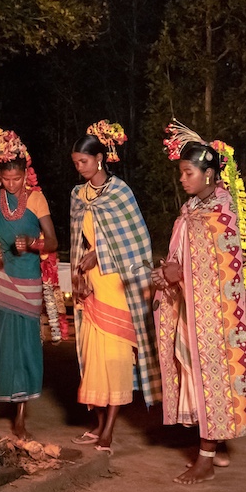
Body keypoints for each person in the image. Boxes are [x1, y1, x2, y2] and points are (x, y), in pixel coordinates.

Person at [154, 122, 246, 484]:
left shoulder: (223, 213)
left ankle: (205, 460)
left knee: (213, 376)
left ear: (209, 174)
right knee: (194, 371)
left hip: (218, 315)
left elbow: (222, 268)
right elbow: (184, 255)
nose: (182, 179)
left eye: (188, 172)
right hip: (192, 308)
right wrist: (168, 272)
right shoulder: (191, 208)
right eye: (181, 172)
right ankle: (213, 445)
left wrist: (180, 272)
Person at [68, 120, 160, 452]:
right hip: (93, 284)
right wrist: (80, 276)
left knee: (115, 358)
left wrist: (100, 255)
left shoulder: (120, 193)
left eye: (84, 161)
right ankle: (97, 423)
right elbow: (78, 243)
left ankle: (109, 428)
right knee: (92, 356)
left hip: (118, 284)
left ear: (100, 159)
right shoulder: (78, 195)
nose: (79, 167)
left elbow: (137, 243)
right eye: (76, 162)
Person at [0, 129, 58, 438]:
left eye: (17, 178)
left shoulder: (37, 199)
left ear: (26, 174)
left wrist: (33, 243)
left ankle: (21, 417)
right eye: (7, 178)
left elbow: (53, 241)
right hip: (0, 280)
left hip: (27, 283)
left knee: (25, 347)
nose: (12, 184)